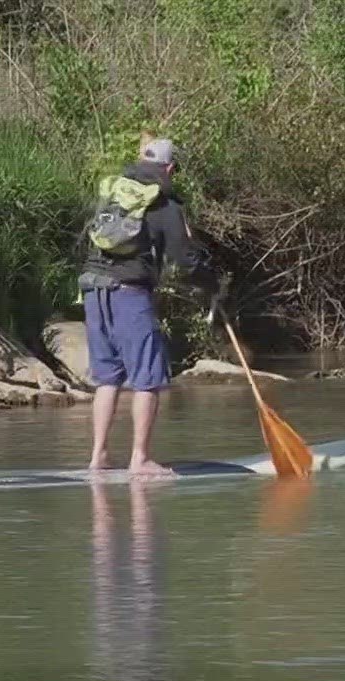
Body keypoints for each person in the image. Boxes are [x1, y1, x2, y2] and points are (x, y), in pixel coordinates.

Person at [78, 136, 218, 477]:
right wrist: (212, 283)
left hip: (93, 289)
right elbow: (184, 262)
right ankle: (140, 459)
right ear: (170, 168)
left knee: (107, 378)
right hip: (129, 294)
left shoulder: (113, 189)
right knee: (147, 378)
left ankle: (98, 457)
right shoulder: (166, 206)